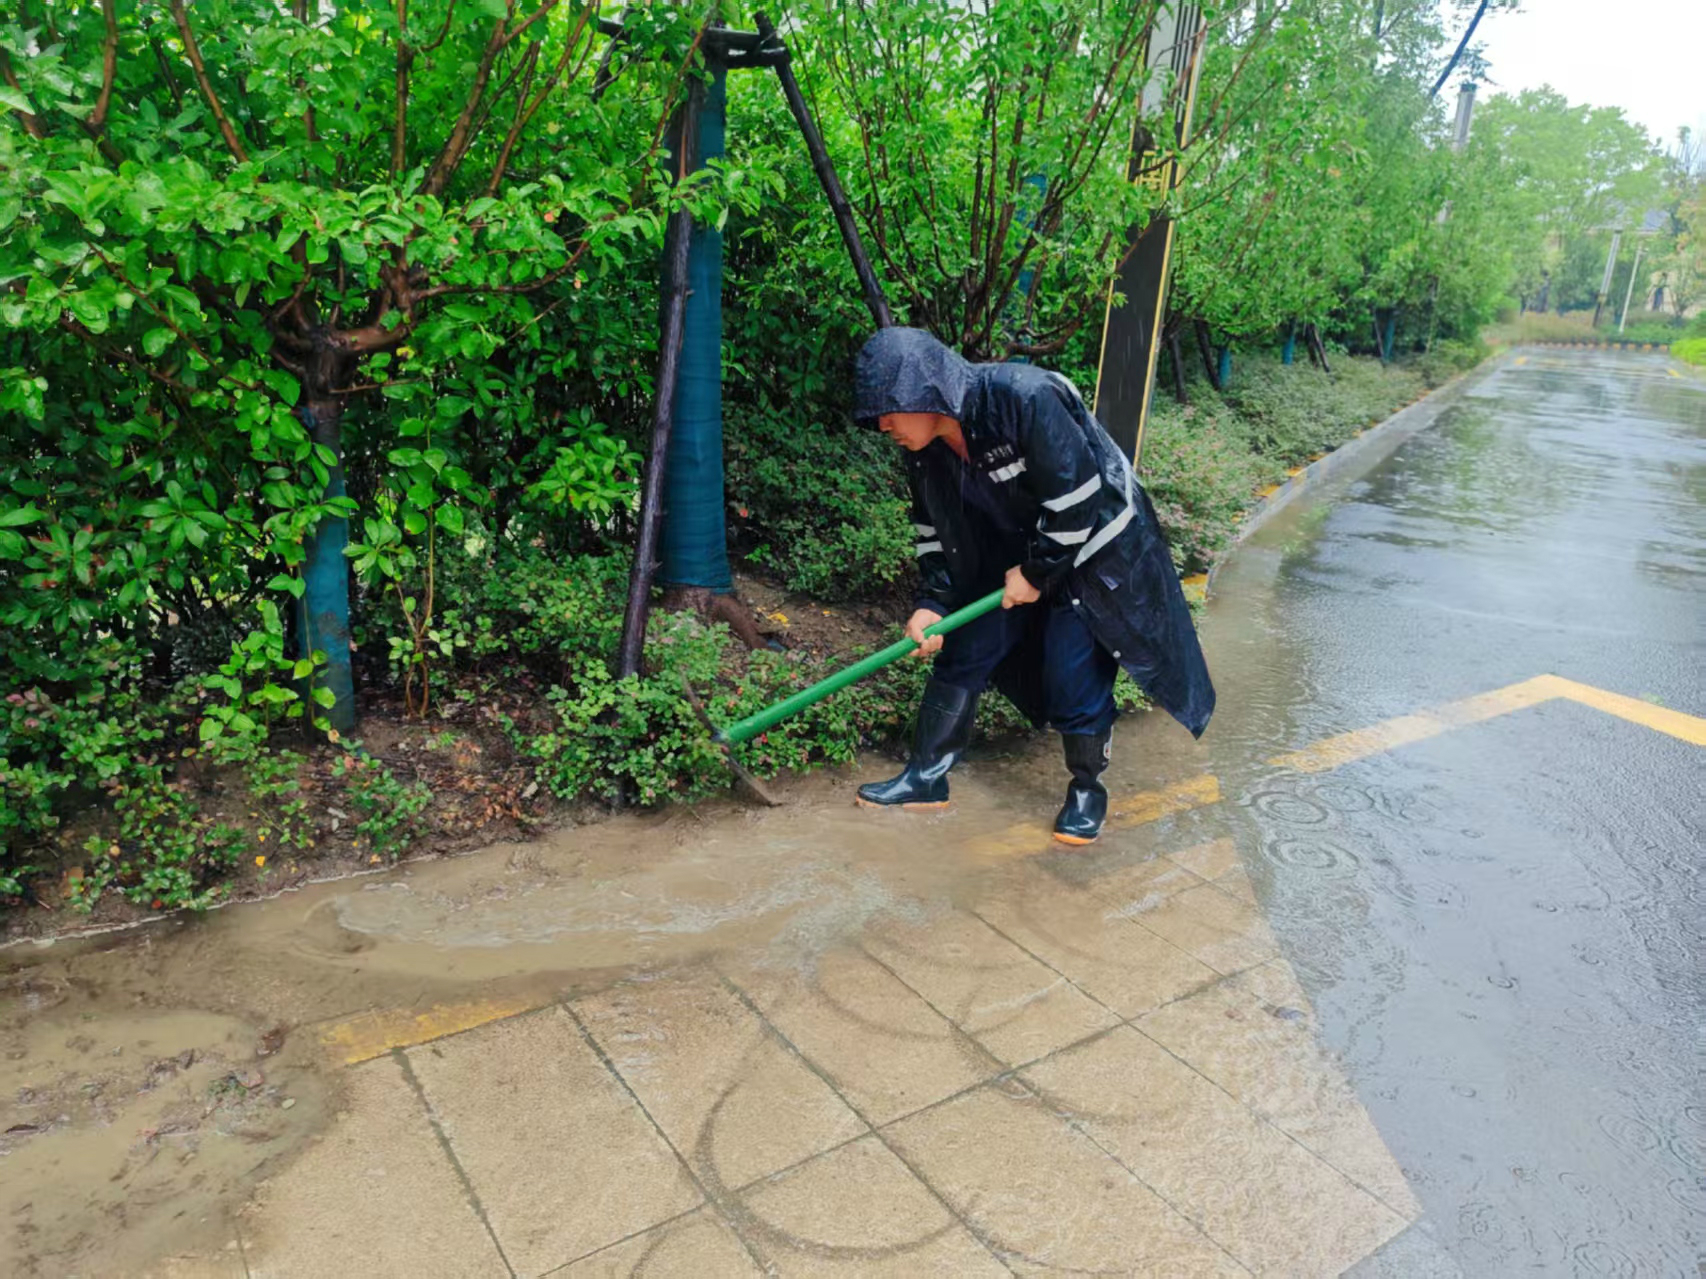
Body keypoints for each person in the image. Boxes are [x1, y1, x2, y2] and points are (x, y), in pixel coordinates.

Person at [851, 326, 1215, 845]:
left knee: (1073, 670)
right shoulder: (925, 450)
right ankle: (925, 778)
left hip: (1092, 550)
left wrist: (1038, 573)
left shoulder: (1024, 397)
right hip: (1017, 556)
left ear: (926, 391)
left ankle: (1088, 790)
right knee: (967, 648)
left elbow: (1078, 495)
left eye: (889, 409)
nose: (883, 425)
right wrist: (933, 602)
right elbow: (932, 529)